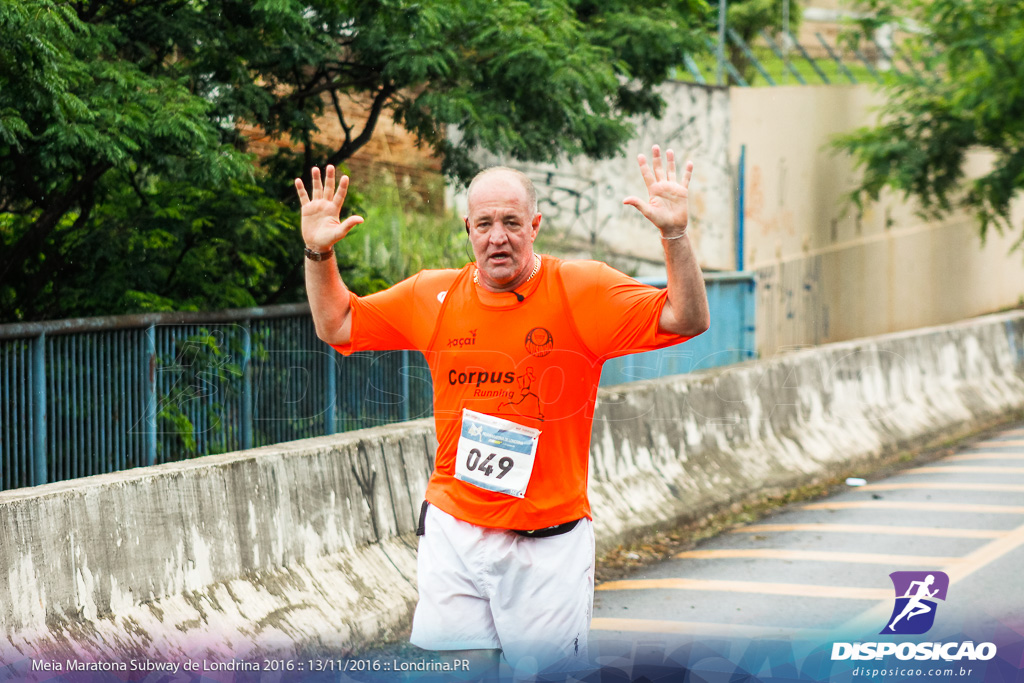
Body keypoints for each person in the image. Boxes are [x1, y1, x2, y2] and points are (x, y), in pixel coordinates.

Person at [295, 146, 710, 677]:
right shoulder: (433, 294)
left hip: (546, 546)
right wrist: (318, 254)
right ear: (467, 228)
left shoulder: (580, 288)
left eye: (512, 222)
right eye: (485, 224)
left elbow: (686, 317)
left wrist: (675, 236)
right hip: (454, 531)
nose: (498, 237)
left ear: (534, 225)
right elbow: (338, 324)